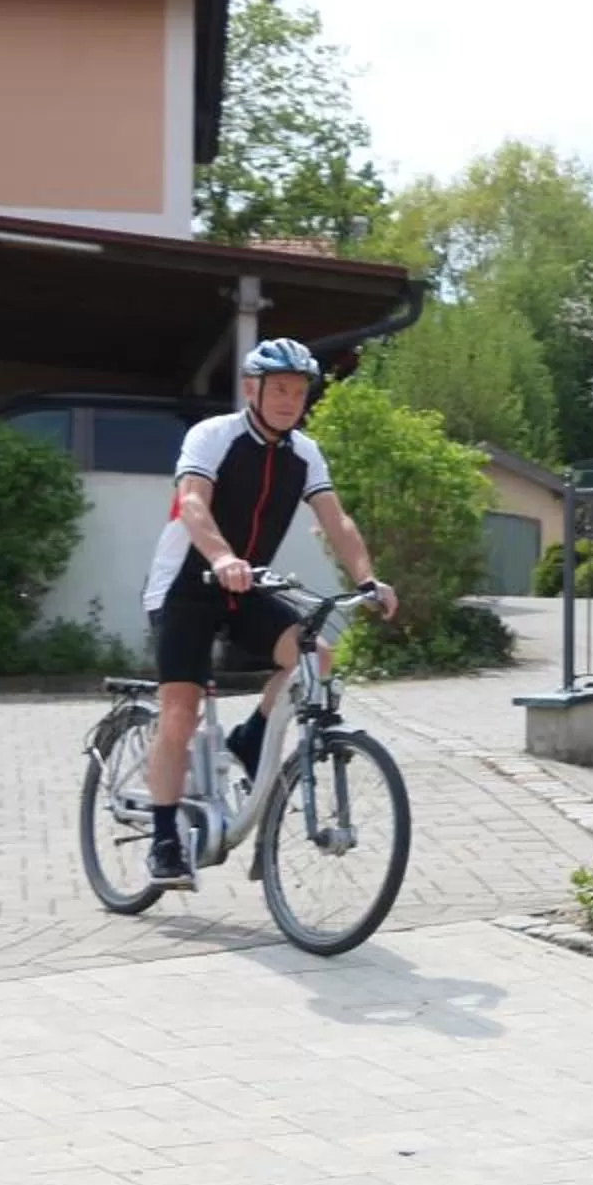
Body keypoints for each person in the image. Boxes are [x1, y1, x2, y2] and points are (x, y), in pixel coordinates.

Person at [138, 338, 395, 888]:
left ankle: (251, 737)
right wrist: (222, 556)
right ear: (251, 389)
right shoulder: (213, 435)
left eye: (298, 392)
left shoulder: (305, 452)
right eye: (278, 389)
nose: (288, 401)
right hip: (186, 585)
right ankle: (163, 840)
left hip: (244, 584)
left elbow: (336, 519)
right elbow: (193, 502)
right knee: (181, 712)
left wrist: (368, 580)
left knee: (315, 657)